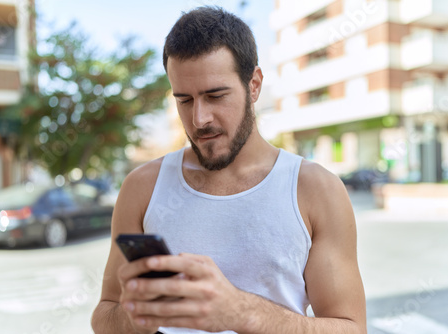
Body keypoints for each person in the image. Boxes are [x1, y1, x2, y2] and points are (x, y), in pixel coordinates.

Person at [91, 6, 366, 334]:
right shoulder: (142, 188)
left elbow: (351, 328)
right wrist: (133, 318)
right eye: (185, 100)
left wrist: (243, 313)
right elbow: (105, 313)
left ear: (254, 85)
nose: (199, 119)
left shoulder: (315, 190)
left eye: (215, 95)